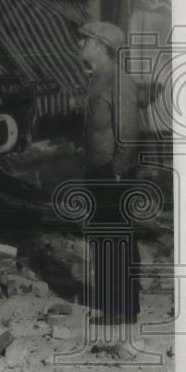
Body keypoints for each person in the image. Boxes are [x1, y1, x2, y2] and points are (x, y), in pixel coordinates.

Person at [77, 20, 140, 327]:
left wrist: (118, 171)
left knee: (118, 238)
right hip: (96, 170)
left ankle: (125, 308)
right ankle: (109, 302)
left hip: (112, 172)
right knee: (102, 237)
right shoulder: (95, 79)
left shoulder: (119, 80)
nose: (80, 45)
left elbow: (127, 131)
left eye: (85, 40)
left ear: (100, 46)